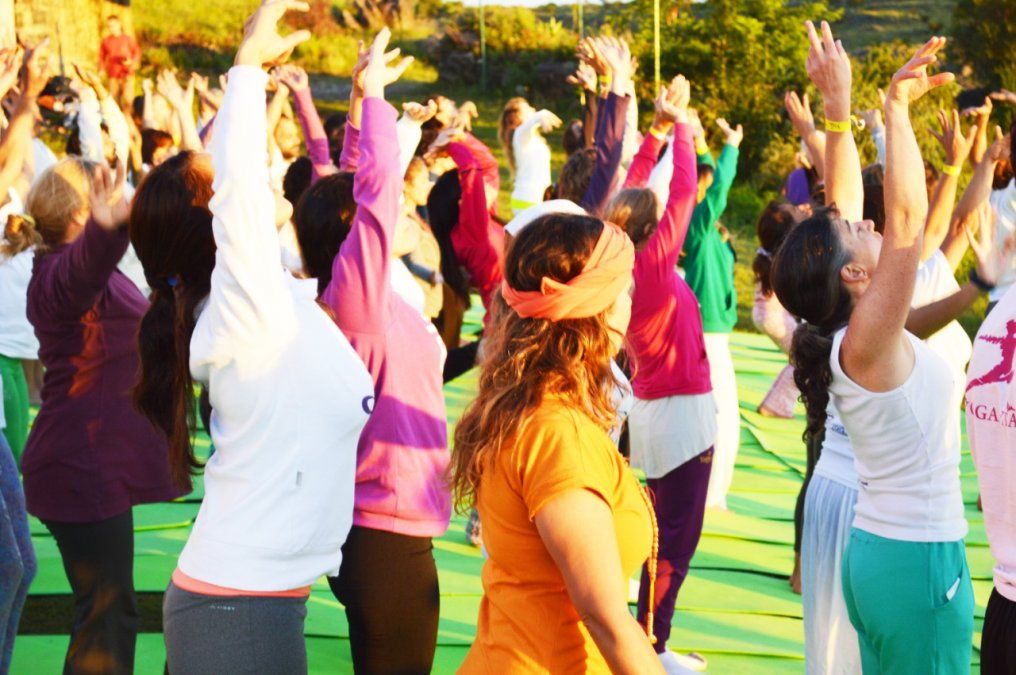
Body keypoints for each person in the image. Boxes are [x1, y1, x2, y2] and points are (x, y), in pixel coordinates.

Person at [127, 2, 375, 671]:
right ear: (216, 225)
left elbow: (342, 195)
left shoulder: (271, 299)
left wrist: (367, 101)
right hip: (237, 608)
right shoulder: (247, 309)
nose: (261, 173)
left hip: (255, 602)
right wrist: (244, 69)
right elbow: (241, 192)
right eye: (226, 181)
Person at [772, 26, 973, 673]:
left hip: (881, 549)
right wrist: (895, 111)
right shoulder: (865, 338)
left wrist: (839, 110)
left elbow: (847, 214)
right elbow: (907, 223)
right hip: (912, 560)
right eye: (855, 231)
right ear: (855, 274)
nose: (865, 218)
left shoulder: (849, 329)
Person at [292, 28, 450, 673]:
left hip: (386, 527)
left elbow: (358, 188)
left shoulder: (360, 295)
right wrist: (380, 98)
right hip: (383, 536)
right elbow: (376, 197)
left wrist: (359, 103)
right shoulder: (357, 304)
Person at [452, 210, 662, 674]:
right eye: (624, 290)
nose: (631, 303)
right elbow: (605, 617)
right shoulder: (559, 434)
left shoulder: (527, 402)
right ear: (600, 310)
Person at [604, 75, 716, 675]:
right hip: (679, 413)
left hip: (654, 408)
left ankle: (648, 637)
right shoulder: (648, 265)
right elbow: (683, 194)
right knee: (674, 540)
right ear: (653, 231)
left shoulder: (616, 255)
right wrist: (684, 125)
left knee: (658, 536)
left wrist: (657, 130)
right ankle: (652, 647)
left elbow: (635, 190)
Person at [681, 115, 742, 511]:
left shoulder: (706, 229)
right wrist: (731, 148)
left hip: (715, 333)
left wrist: (703, 141)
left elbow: (707, 180)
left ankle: (711, 492)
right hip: (707, 335)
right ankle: (709, 495)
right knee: (721, 419)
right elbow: (716, 189)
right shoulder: (697, 227)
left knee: (724, 418)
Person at [498, 97, 561, 215]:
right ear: (519, 116)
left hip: (532, 199)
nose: (532, 109)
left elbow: (531, 124)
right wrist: (542, 114)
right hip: (529, 200)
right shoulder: (520, 135)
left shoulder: (529, 138)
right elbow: (529, 123)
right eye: (527, 108)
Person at [99, 16, 140, 109]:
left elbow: (136, 52)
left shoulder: (127, 39)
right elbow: (101, 56)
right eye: (109, 26)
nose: (111, 28)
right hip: (113, 75)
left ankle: (129, 116)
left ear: (119, 25)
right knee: (114, 102)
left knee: (128, 101)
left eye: (113, 25)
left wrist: (131, 62)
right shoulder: (106, 41)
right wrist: (101, 68)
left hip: (127, 74)